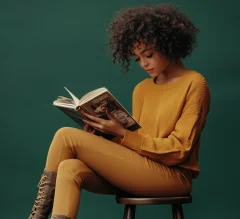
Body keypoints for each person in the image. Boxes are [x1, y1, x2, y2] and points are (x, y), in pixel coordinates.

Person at [28, 3, 210, 219]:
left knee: (65, 136)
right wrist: (105, 132)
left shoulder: (194, 83)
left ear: (168, 44)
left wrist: (123, 134)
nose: (143, 63)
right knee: (69, 167)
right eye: (137, 58)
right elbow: (139, 144)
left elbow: (180, 150)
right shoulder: (142, 89)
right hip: (141, 170)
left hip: (173, 178)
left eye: (148, 54)